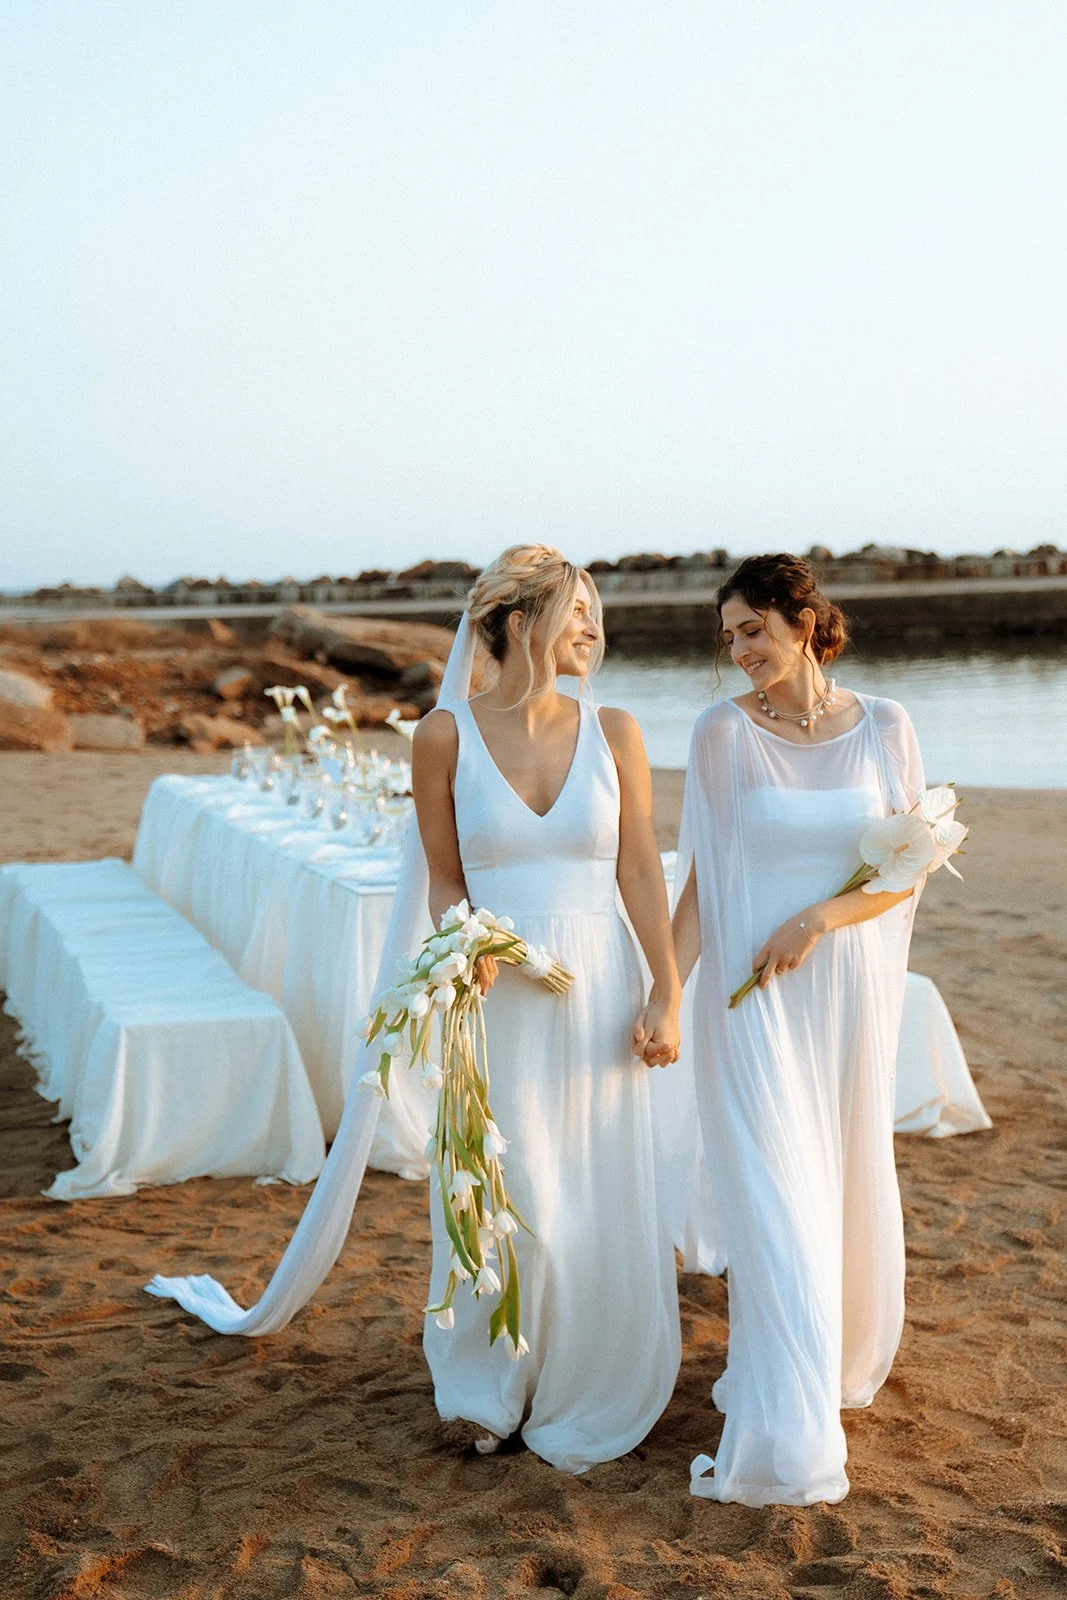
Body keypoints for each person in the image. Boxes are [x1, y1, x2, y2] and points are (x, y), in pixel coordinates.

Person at [413, 544, 682, 1472]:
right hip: (494, 996)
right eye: (577, 608)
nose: (592, 627)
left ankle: (582, 1369)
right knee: (504, 1183)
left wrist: (666, 989)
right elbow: (445, 881)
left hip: (599, 984)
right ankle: (484, 1387)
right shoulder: (441, 736)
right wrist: (469, 945)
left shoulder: (617, 731)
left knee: (590, 1181)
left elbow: (641, 868)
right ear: (520, 621)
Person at [672, 553, 925, 1506]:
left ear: (804, 621)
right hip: (753, 998)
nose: (737, 651)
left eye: (752, 630)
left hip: (846, 991)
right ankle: (786, 1420)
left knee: (842, 1172)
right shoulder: (720, 735)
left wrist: (818, 918)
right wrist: (663, 987)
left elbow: (903, 867)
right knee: (777, 1193)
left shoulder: (886, 727)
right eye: (727, 635)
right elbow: (702, 878)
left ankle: (828, 1357)